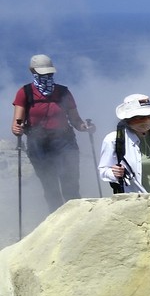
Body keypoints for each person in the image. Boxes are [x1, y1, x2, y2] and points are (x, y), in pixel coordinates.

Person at [11, 54, 93, 212]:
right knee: (50, 186)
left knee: (70, 183)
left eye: (49, 74)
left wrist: (85, 127)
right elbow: (17, 122)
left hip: (64, 141)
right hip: (38, 143)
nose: (46, 77)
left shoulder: (63, 92)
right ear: (33, 72)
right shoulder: (25, 93)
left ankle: (75, 216)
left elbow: (75, 120)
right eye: (43, 74)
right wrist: (17, 129)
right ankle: (56, 219)